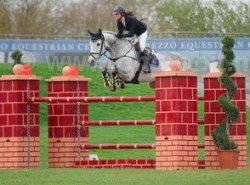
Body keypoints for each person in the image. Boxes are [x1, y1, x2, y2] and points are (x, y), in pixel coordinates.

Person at [113, 5, 151, 73]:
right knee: (132, 47)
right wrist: (118, 35)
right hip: (135, 34)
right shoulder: (119, 21)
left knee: (141, 47)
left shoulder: (131, 19)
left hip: (142, 32)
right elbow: (120, 33)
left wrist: (121, 35)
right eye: (114, 14)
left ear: (122, 14)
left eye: (117, 14)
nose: (115, 15)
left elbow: (130, 34)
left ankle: (147, 66)